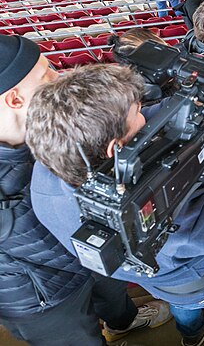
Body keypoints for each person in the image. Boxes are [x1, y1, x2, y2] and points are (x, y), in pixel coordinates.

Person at [28, 64, 204, 346]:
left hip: (161, 283)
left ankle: (193, 334)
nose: (145, 116)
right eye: (137, 114)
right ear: (117, 149)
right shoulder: (159, 214)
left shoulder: (44, 179)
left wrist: (192, 104)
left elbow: (141, 121)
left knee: (184, 308)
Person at [0, 35, 170, 346]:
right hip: (44, 298)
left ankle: (123, 322)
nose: (58, 77)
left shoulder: (50, 125)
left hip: (89, 253)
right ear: (14, 99)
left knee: (112, 291)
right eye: (47, 73)